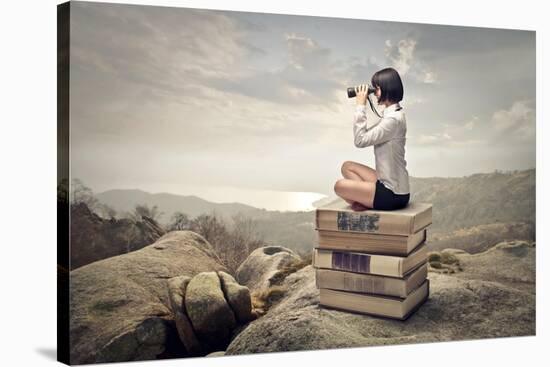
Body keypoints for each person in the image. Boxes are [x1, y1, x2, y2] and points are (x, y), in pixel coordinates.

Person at [334, 67, 410, 211]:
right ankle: (363, 200)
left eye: (377, 88)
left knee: (339, 186)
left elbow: (360, 140)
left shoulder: (393, 120)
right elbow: (370, 132)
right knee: (347, 166)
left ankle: (364, 200)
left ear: (387, 89)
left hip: (393, 194)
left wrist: (360, 105)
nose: (374, 93)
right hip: (388, 182)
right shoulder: (392, 114)